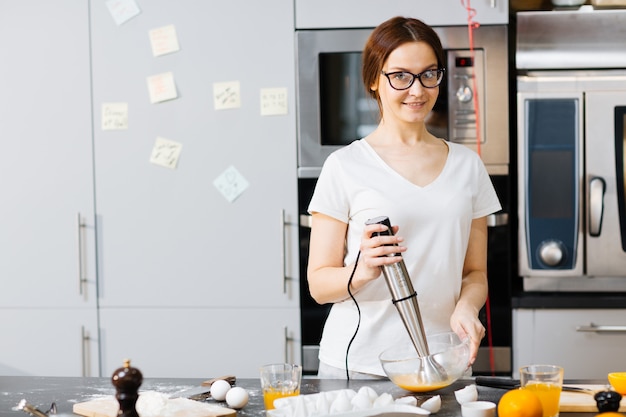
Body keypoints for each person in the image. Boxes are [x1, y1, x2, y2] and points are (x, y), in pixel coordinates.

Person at [306, 16, 502, 379]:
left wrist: (466, 308)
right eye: (400, 76)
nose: (418, 90)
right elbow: (319, 286)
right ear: (373, 80)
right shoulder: (345, 166)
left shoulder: (467, 165)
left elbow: (475, 273)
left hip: (445, 359)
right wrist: (362, 271)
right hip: (360, 364)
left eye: (429, 74)